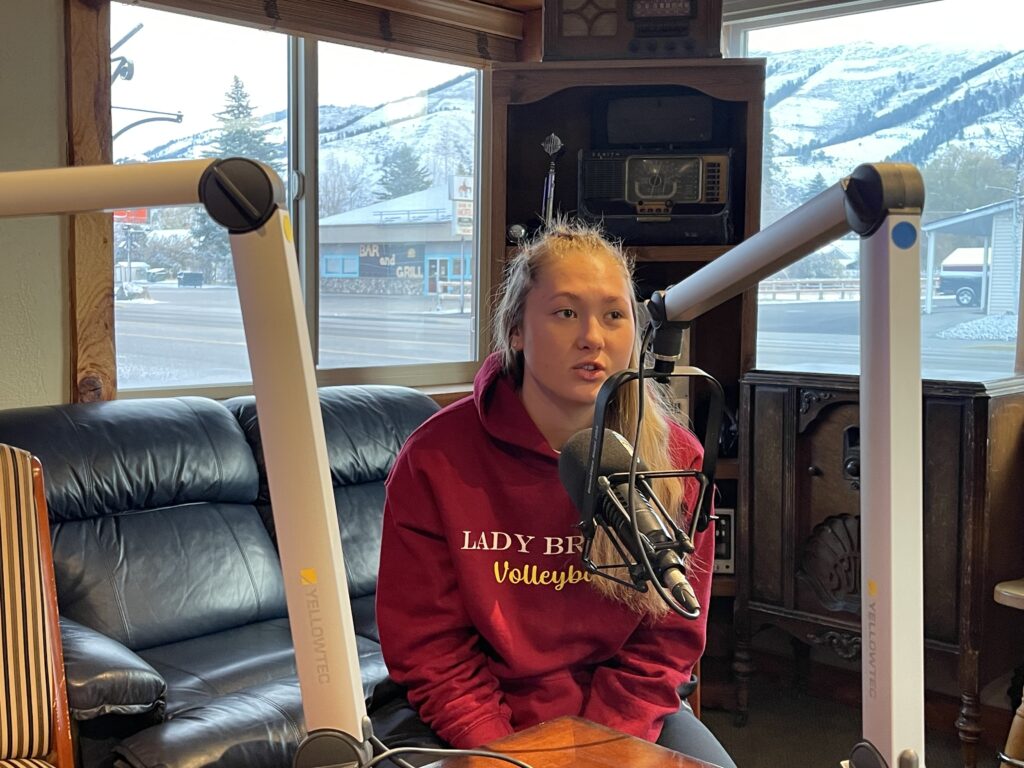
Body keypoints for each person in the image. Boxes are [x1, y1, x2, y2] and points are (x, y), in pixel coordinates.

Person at [375, 219, 735, 767]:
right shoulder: (435, 457)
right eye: (566, 313)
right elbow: (430, 647)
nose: (593, 337)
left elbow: (666, 644)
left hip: (623, 711)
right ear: (516, 330)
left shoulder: (677, 461)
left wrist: (593, 751)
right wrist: (509, 753)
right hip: (473, 716)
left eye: (614, 315)